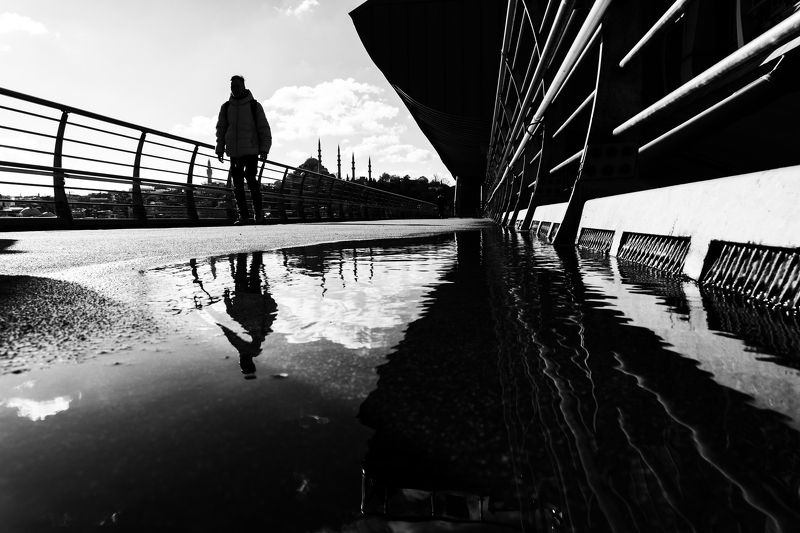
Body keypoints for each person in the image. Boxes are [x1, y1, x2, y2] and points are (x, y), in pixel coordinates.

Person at [215, 75, 272, 225]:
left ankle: (258, 215)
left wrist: (264, 149)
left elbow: (263, 128)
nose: (234, 89)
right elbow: (221, 129)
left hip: (252, 150)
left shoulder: (254, 106)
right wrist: (219, 148)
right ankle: (244, 216)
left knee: (251, 181)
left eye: (237, 86)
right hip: (234, 152)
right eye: (232, 87)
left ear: (244, 87)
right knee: (238, 185)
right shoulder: (226, 107)